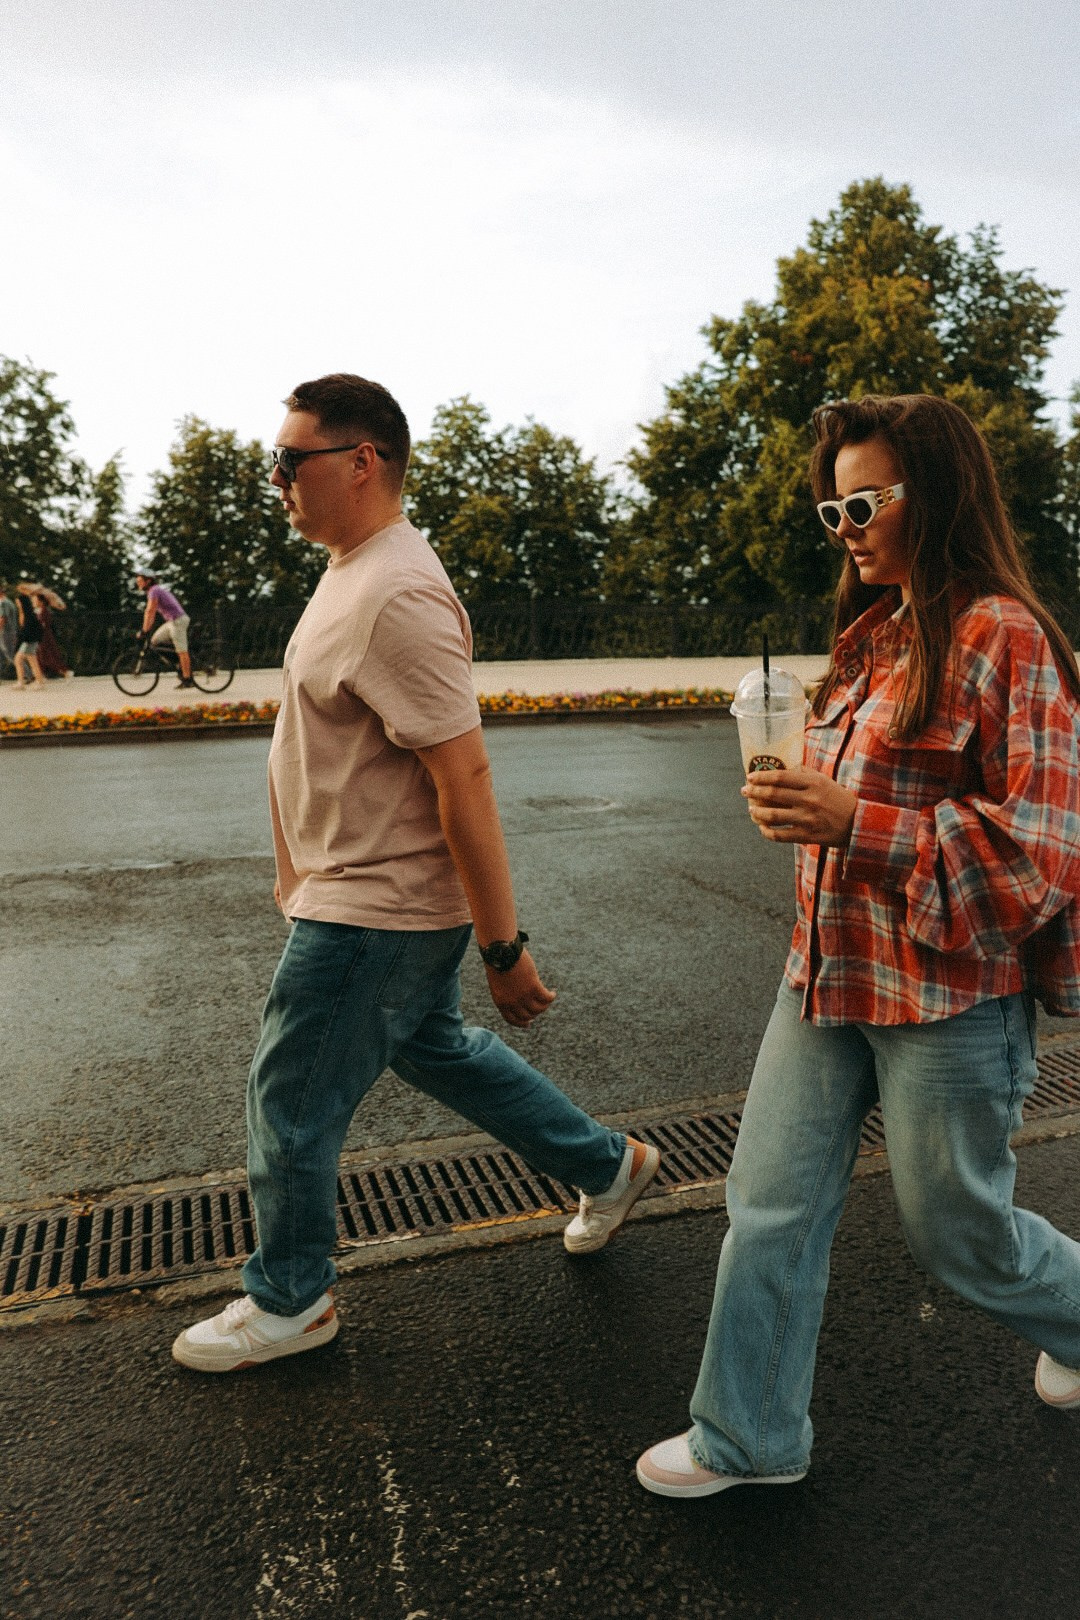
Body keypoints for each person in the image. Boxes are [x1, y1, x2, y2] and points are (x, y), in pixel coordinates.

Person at [637, 393, 1080, 1499]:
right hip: (827, 973)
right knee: (769, 1204)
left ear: (935, 491)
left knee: (959, 1234)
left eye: (865, 502)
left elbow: (1041, 856)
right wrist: (801, 806)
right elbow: (846, 801)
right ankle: (747, 1436)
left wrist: (851, 822)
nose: (848, 528)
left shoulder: (1005, 636)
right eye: (833, 511)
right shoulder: (870, 637)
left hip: (951, 996)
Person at [172, 373, 660, 1373]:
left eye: (288, 460)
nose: (274, 479)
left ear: (361, 462)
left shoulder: (398, 591)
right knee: (437, 1049)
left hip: (374, 905)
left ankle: (292, 1299)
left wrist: (504, 946)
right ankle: (609, 1169)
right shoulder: (356, 563)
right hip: (364, 891)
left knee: (291, 1097)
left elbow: (464, 775)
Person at [135, 572, 193, 686]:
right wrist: (146, 628)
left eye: (140, 582)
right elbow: (151, 613)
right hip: (171, 622)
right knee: (154, 642)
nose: (138, 584)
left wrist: (144, 630)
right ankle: (179, 663)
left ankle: (187, 679)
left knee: (181, 650)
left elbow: (150, 611)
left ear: (148, 581)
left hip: (178, 621)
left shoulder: (154, 591)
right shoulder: (153, 591)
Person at [32, 586, 72, 678]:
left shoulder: (44, 611)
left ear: (40, 601)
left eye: (35, 600)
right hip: (42, 636)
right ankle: (41, 675)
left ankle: (63, 671)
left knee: (48, 655)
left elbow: (44, 625)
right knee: (43, 655)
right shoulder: (39, 611)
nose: (33, 602)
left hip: (45, 636)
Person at [12, 582, 46, 688]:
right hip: (33, 635)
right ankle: (38, 681)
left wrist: (22, 632)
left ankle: (23, 683)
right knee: (32, 659)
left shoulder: (24, 604)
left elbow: (22, 618)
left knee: (19, 659)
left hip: (28, 636)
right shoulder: (32, 604)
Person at [0, 582, 17, 678]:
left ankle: (29, 675)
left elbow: (3, 618)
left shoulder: (4, 603)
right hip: (8, 632)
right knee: (2, 656)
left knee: (11, 655)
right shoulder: (8, 602)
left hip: (6, 633)